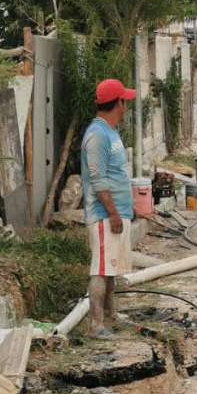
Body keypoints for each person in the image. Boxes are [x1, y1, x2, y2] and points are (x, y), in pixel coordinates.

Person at [80, 78, 137, 338]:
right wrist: (113, 212)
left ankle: (111, 315)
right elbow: (97, 177)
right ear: (118, 104)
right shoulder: (97, 135)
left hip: (118, 212)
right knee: (101, 269)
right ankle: (95, 325)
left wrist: (127, 208)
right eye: (124, 101)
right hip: (105, 215)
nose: (126, 107)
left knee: (110, 268)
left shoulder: (111, 132)